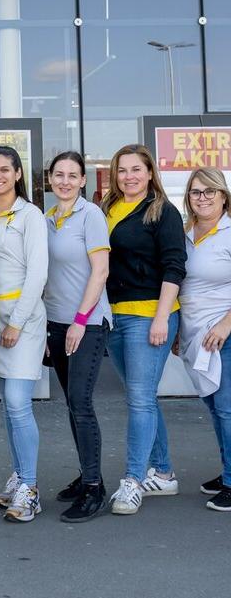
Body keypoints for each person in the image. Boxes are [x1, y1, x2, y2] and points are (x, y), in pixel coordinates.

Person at [102, 143, 186, 515]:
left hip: (149, 314)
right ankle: (164, 472)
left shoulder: (162, 211)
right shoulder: (105, 208)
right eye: (122, 170)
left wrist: (162, 318)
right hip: (113, 316)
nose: (129, 177)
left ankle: (133, 480)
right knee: (143, 398)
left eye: (136, 169)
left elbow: (174, 266)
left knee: (139, 399)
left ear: (150, 173)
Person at [44, 150, 111, 523]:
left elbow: (99, 272)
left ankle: (94, 488)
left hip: (86, 324)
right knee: (72, 404)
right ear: (50, 179)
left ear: (83, 180)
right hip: (54, 324)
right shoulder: (46, 218)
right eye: (59, 175)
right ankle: (88, 473)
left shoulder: (91, 215)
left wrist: (81, 320)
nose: (65, 181)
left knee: (82, 405)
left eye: (72, 175)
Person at [0, 145, 48, 524]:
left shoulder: (32, 216)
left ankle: (30, 487)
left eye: (5, 169)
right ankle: (19, 474)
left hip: (22, 320)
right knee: (8, 406)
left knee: (18, 402)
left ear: (18, 173)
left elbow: (37, 274)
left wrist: (16, 323)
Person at [178, 168, 231, 512]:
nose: (203, 197)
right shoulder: (185, 232)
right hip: (195, 333)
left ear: (224, 196)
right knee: (213, 405)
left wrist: (227, 324)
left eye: (210, 191)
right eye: (197, 192)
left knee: (226, 407)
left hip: (224, 332)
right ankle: (228, 469)